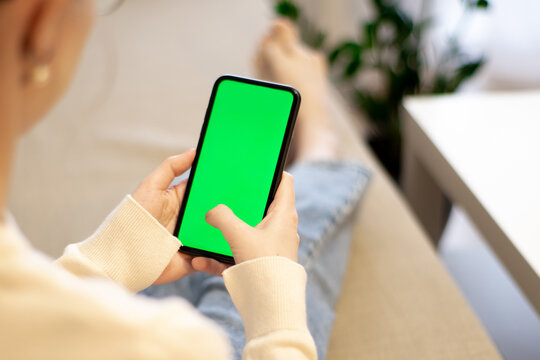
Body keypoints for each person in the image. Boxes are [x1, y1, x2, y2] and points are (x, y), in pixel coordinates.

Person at [0, 1, 369, 359]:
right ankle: (320, 141)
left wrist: (104, 264)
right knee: (253, 278)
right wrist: (277, 321)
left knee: (202, 234)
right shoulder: (176, 345)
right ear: (41, 20)